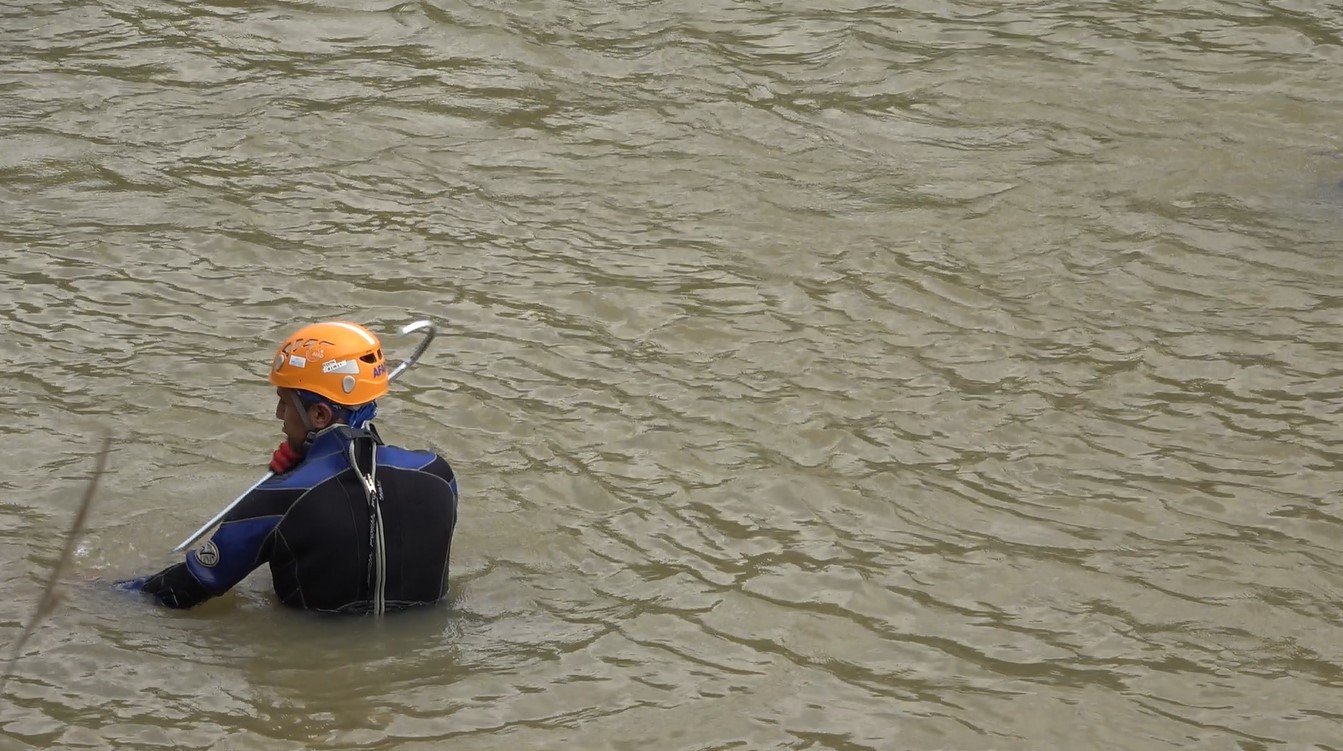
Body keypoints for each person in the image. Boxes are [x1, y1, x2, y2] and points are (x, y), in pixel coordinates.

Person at [117, 321, 459, 615]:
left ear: (320, 415)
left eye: (284, 402)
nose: (279, 416)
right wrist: (307, 463)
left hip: (322, 670)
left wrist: (103, 592)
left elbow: (185, 590)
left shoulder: (279, 498)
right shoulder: (437, 474)